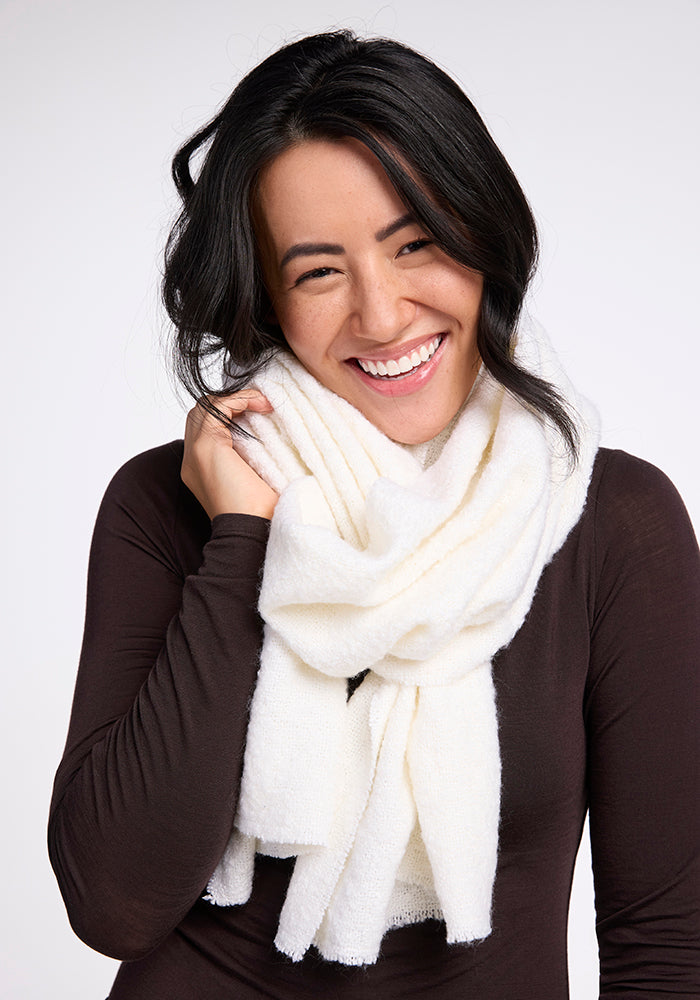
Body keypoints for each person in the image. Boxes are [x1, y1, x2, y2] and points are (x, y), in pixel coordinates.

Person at [48, 29, 700, 999]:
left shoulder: (613, 525)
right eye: (317, 271)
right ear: (265, 299)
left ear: (483, 235)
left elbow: (665, 942)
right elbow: (115, 903)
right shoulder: (170, 503)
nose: (383, 315)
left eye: (417, 244)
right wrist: (243, 543)